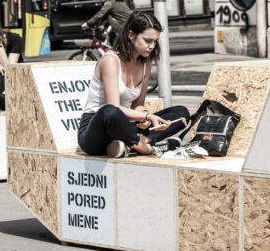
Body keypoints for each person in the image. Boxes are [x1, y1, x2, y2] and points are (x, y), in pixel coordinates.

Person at [77, 11, 190, 158]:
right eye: (147, 40)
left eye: (155, 41)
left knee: (181, 113)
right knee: (110, 111)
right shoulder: (110, 61)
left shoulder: (146, 62)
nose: (151, 46)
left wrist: (142, 119)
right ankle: (145, 147)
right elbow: (114, 107)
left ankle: (129, 144)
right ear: (131, 35)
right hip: (96, 130)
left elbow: (138, 104)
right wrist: (147, 116)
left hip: (126, 126)